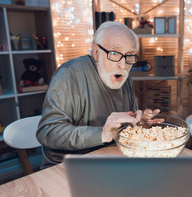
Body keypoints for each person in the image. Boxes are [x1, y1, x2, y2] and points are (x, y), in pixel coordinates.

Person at [36, 21, 158, 167]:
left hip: (110, 160)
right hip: (67, 168)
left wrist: (137, 123)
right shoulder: (70, 74)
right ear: (96, 52)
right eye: (114, 53)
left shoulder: (125, 77)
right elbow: (48, 132)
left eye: (129, 56)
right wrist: (102, 133)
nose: (123, 65)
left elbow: (124, 126)